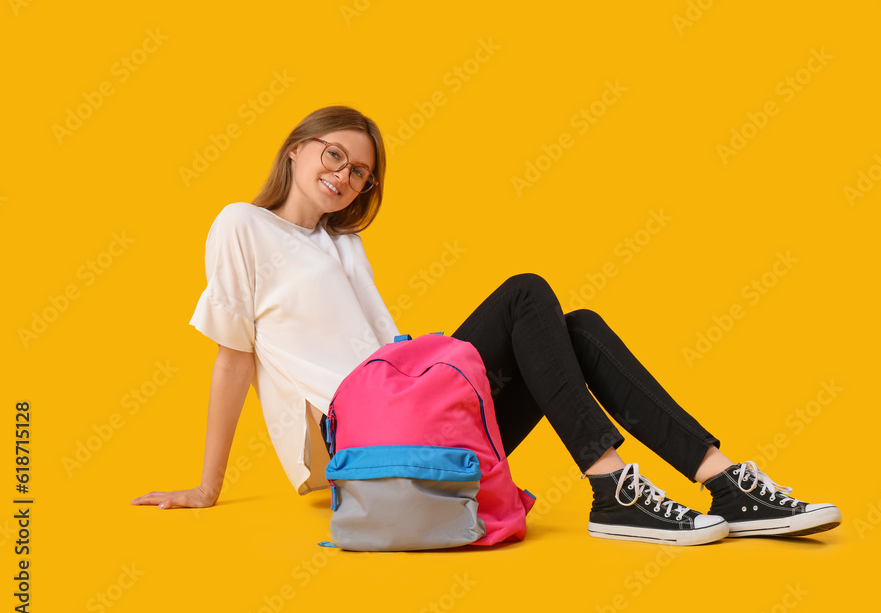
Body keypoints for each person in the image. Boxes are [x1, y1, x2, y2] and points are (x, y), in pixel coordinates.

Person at [132, 105, 841, 546]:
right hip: (363, 433)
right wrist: (207, 485)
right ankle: (613, 486)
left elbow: (389, 348)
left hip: (409, 399)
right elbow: (233, 357)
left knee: (577, 324)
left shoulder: (343, 245)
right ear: (297, 148)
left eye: (361, 173)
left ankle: (724, 480)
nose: (346, 176)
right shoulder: (242, 226)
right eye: (335, 155)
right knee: (527, 293)